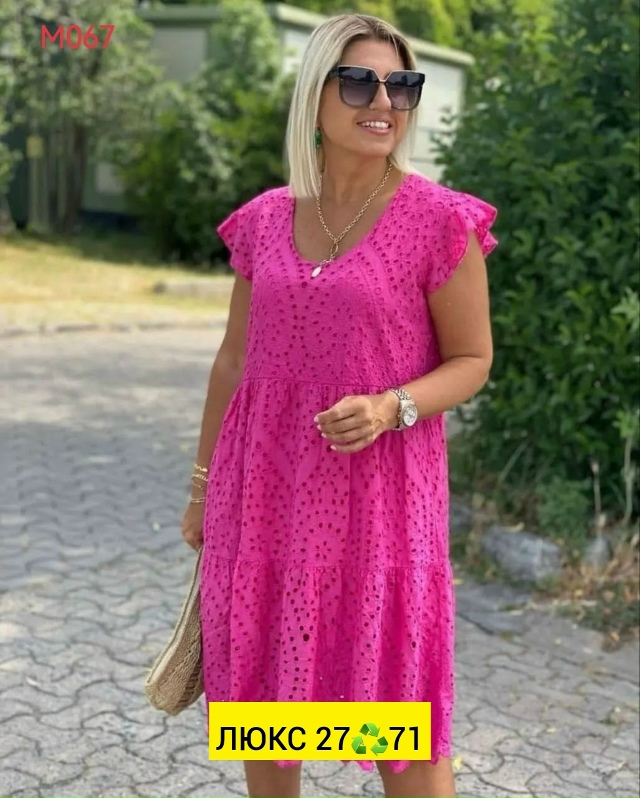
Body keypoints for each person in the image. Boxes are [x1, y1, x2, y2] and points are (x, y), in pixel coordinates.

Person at [181, 12, 497, 798]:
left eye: (401, 85)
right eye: (358, 82)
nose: (382, 101)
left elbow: (473, 360)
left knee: (395, 712)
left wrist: (393, 406)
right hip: (265, 497)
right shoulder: (264, 218)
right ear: (315, 97)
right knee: (265, 700)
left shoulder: (440, 221)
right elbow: (234, 360)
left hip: (379, 506)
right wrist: (201, 487)